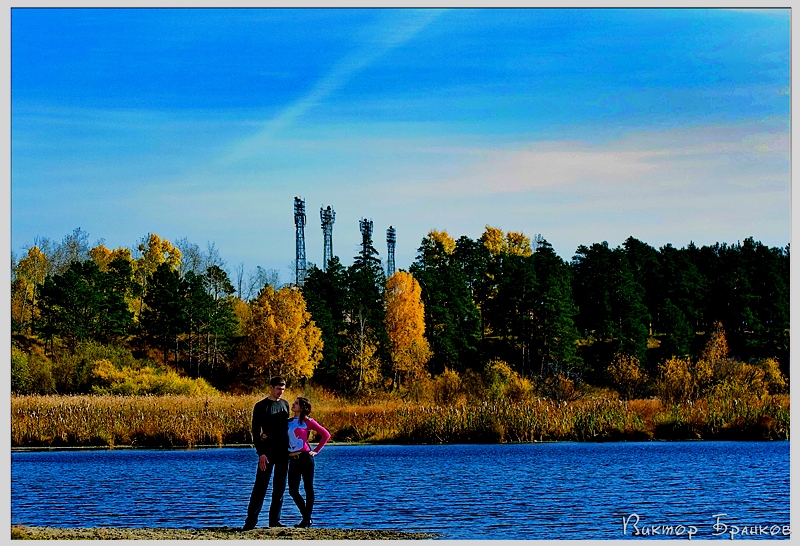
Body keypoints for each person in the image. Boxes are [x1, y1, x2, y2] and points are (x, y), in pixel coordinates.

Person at [242, 376, 290, 530]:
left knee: (280, 487)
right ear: (271, 387)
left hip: (283, 452)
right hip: (267, 452)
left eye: (283, 389)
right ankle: (250, 522)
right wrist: (261, 453)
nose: (280, 392)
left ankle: (274, 521)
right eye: (278, 389)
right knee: (260, 487)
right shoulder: (261, 406)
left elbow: (285, 428)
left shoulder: (285, 405)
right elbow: (255, 431)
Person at [287, 396, 331, 528]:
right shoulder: (288, 422)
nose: (293, 404)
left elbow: (326, 435)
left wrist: (316, 450)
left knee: (308, 488)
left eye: (296, 403)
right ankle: (307, 517)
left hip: (305, 458)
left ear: (302, 408)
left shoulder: (308, 422)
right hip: (293, 459)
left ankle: (306, 519)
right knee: (293, 490)